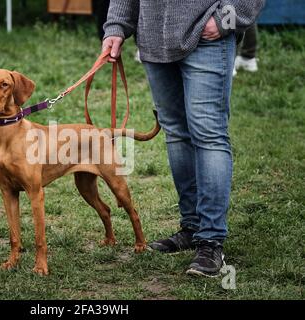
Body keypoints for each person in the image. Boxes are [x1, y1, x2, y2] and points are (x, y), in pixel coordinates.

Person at [102, 1, 265, 277]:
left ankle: (211, 240)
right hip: (154, 41)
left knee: (208, 134)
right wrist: (117, 26)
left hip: (208, 36)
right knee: (176, 133)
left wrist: (227, 18)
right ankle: (192, 227)